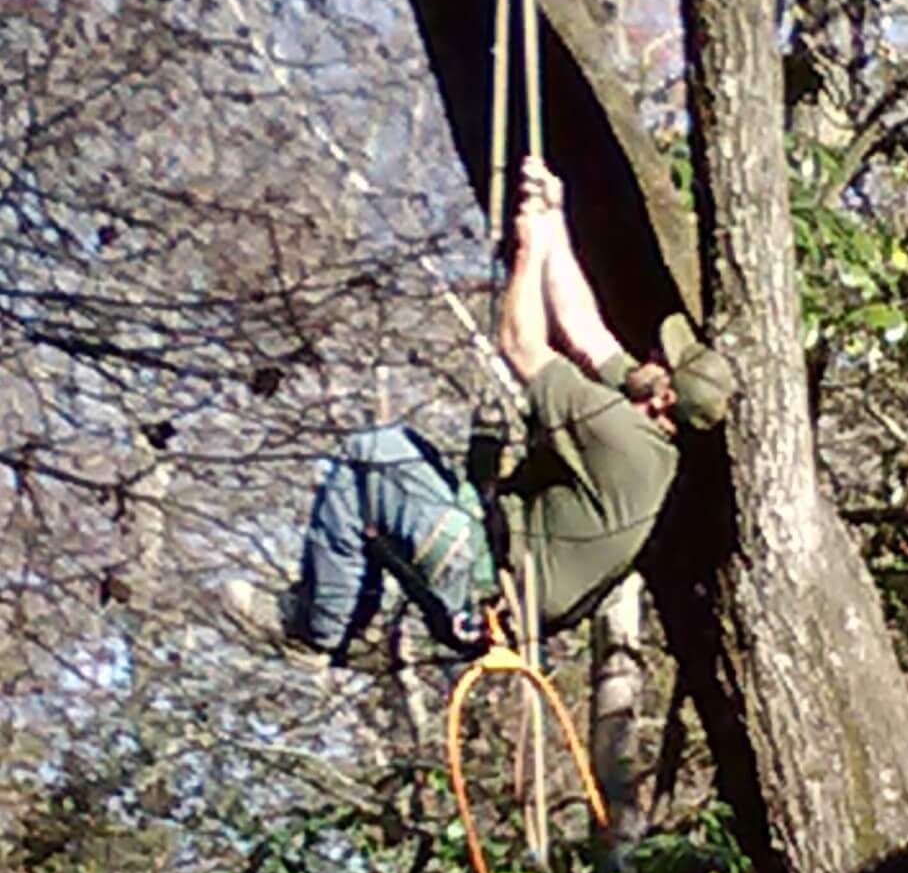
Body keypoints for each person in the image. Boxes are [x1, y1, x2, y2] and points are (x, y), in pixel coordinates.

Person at [221, 158, 730, 666]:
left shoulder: (620, 435)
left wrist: (528, 253)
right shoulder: (645, 425)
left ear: (664, 397)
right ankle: (343, 617)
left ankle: (316, 630)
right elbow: (583, 327)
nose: (649, 356)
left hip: (482, 582)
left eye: (662, 361)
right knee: (401, 462)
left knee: (373, 457)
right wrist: (553, 222)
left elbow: (521, 345)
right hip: (489, 570)